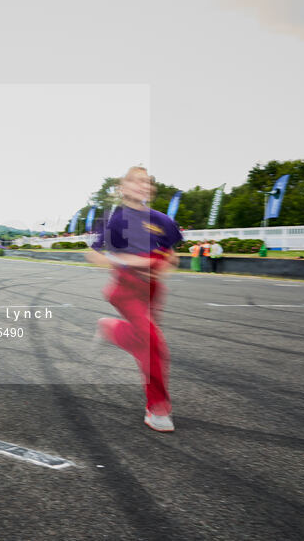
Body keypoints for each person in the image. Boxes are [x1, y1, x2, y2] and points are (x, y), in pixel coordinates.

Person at [85, 165, 182, 432]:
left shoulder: (162, 220)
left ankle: (112, 329)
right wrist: (132, 262)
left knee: (145, 343)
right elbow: (94, 255)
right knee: (154, 344)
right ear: (123, 187)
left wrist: (163, 267)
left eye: (147, 182)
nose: (143, 185)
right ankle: (157, 408)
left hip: (153, 291)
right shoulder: (112, 219)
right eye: (136, 181)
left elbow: (173, 257)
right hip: (126, 290)